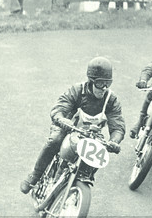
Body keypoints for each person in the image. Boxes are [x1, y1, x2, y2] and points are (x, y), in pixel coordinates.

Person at [20, 57, 124, 194]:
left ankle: (81, 182)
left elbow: (117, 125)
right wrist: (64, 121)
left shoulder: (111, 99)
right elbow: (59, 109)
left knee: (96, 157)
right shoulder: (77, 91)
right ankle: (35, 175)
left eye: (107, 83)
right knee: (55, 140)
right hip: (67, 127)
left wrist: (114, 141)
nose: (104, 88)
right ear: (91, 81)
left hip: (91, 135)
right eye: (100, 83)